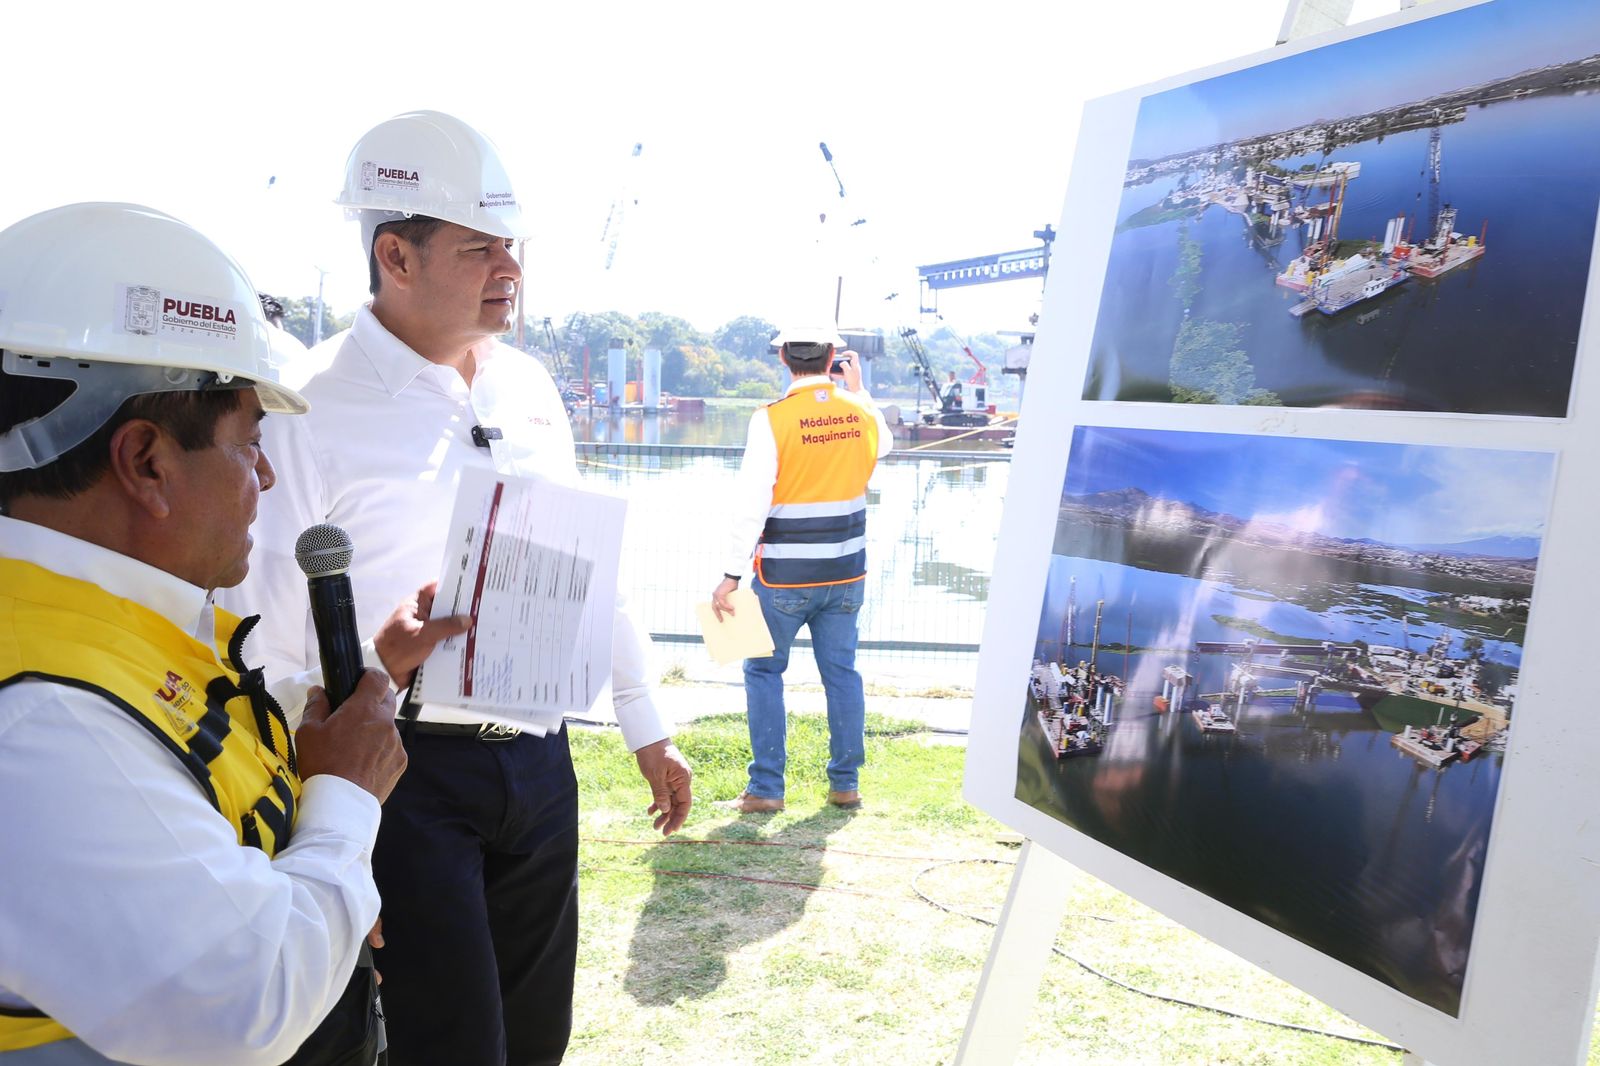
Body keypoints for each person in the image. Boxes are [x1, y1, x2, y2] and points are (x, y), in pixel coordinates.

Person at [225, 110, 693, 1066]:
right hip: (401, 771)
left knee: (536, 1040)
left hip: (540, 764)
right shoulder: (309, 406)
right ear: (395, 255)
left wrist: (645, 725)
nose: (509, 269)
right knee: (450, 1045)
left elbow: (585, 568)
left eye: (512, 247)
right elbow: (261, 635)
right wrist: (318, 827)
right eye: (480, 248)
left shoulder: (529, 389)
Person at [0, 203, 408, 1065]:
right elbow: (243, 1004)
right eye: (250, 442)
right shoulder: (41, 716)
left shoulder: (103, 627)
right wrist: (345, 804)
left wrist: (323, 880)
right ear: (147, 463)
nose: (267, 476)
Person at [710, 326, 892, 813]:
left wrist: (731, 574)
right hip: (847, 573)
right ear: (833, 357)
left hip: (784, 577)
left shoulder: (772, 419)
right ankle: (845, 785)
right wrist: (859, 391)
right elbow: (886, 446)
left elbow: (752, 502)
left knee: (763, 670)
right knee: (842, 674)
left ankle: (767, 789)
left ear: (783, 359)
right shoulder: (860, 411)